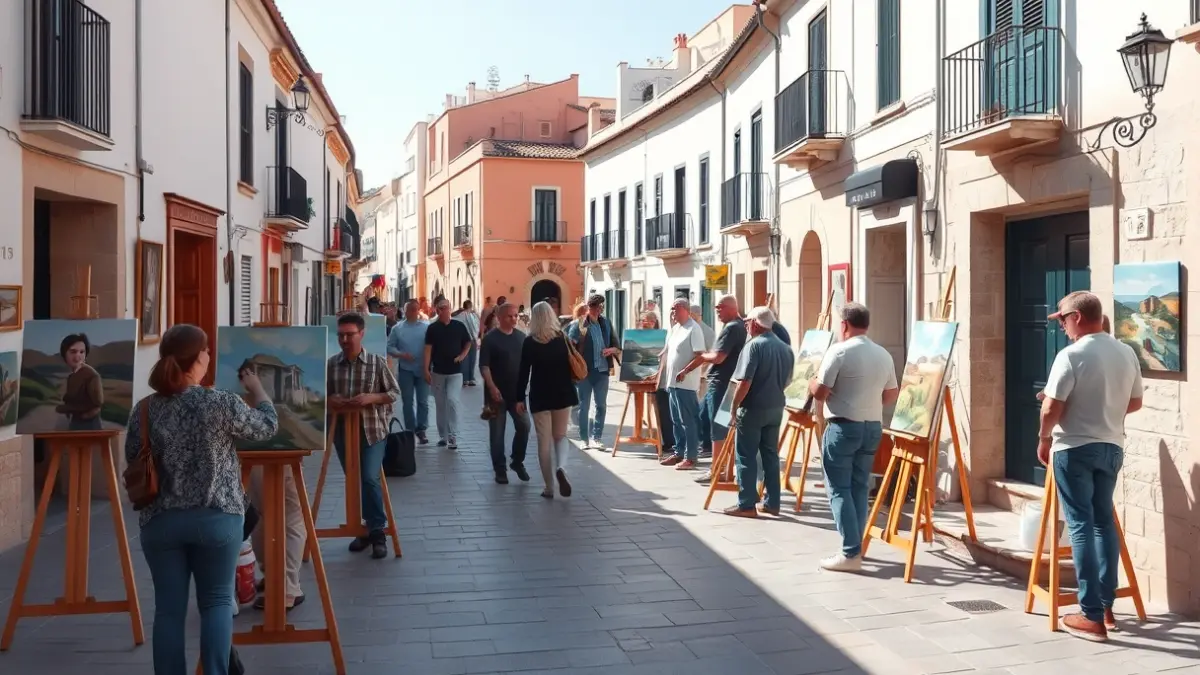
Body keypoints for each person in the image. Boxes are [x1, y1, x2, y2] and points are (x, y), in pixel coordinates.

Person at [127, 324, 278, 675]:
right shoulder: (219, 402)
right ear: (197, 359)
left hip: (161, 522)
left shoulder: (145, 409)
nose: (210, 355)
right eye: (206, 350)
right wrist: (258, 391)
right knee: (216, 602)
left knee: (168, 610)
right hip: (217, 519)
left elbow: (133, 455)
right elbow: (266, 426)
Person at [1041, 292, 1142, 642]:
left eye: (1064, 320)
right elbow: (1136, 401)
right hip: (1111, 446)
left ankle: (1091, 615)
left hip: (1075, 447)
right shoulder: (1126, 352)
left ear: (1077, 317)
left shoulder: (1072, 355)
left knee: (1081, 526)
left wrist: (1043, 438)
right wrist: (1104, 414)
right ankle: (1107, 608)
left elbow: (1051, 407)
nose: (1064, 327)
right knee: (1103, 524)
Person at [809, 303, 899, 572]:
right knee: (860, 487)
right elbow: (892, 393)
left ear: (844, 324)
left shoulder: (838, 351)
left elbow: (820, 392)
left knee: (839, 488)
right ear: (867, 324)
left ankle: (849, 553)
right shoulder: (883, 354)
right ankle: (856, 546)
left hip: (843, 426)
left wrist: (812, 380)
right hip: (872, 426)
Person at [328, 312, 401, 559]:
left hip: (373, 430)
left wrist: (372, 398)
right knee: (354, 480)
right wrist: (331, 400)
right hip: (341, 432)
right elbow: (318, 396)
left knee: (370, 477)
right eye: (340, 335)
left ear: (362, 334)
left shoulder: (377, 363)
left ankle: (377, 531)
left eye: (349, 334)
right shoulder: (331, 364)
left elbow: (393, 393)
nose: (344, 340)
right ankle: (362, 529)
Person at [722, 307, 795, 517]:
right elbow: (788, 380)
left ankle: (746, 504)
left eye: (747, 321)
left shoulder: (753, 346)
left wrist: (734, 407)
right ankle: (773, 502)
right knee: (770, 455)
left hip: (753, 407)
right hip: (775, 407)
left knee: (745, 455)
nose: (745, 325)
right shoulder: (785, 348)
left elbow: (745, 382)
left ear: (755, 323)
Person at [518, 302, 580, 499]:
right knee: (560, 436)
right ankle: (561, 467)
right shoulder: (562, 338)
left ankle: (549, 488)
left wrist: (519, 398)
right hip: (563, 393)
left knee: (543, 444)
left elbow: (523, 373)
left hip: (540, 396)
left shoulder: (529, 342)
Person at [694, 297, 747, 472]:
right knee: (705, 418)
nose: (717, 311)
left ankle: (718, 467)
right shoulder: (738, 325)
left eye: (721, 307)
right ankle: (720, 463)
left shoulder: (732, 327)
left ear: (732, 308)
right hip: (723, 383)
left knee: (719, 424)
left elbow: (719, 356)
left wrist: (703, 357)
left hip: (722, 384)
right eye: (716, 307)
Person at [480, 303, 530, 484]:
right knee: (497, 434)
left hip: (516, 395)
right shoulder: (490, 339)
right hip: (496, 396)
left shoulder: (521, 338)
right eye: (510, 316)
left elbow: (527, 366)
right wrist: (492, 387)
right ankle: (500, 469)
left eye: (516, 315)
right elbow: (484, 367)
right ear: (499, 318)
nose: (514, 319)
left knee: (524, 426)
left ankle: (517, 461)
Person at [656, 299, 708, 470]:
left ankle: (691, 456)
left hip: (686, 384)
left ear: (685, 310)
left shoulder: (694, 329)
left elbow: (701, 355)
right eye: (671, 310)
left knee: (688, 421)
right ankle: (679, 452)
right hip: (672, 383)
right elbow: (668, 350)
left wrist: (685, 370)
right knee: (676, 420)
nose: (672, 313)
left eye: (675, 310)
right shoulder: (675, 328)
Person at [565, 295, 620, 450]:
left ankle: (597, 437)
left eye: (599, 306)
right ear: (588, 307)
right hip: (584, 372)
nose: (596, 309)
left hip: (602, 371)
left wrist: (611, 350)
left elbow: (617, 346)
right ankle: (584, 439)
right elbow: (570, 346)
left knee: (601, 405)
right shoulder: (580, 324)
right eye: (593, 306)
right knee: (584, 406)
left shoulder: (606, 324)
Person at [424, 297, 472, 449]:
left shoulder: (459, 326)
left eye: (446, 307)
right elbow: (428, 350)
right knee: (440, 404)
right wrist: (425, 369)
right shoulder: (432, 329)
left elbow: (468, 342)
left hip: (455, 373)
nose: (444, 310)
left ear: (449, 309)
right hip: (438, 372)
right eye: (441, 308)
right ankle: (442, 435)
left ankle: (453, 435)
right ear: (437, 310)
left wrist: (462, 356)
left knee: (452, 400)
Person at [387, 299, 430, 444]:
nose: (412, 311)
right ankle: (410, 429)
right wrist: (401, 354)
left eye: (415, 309)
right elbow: (390, 347)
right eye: (409, 309)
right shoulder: (397, 329)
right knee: (407, 401)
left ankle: (422, 429)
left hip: (423, 369)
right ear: (404, 311)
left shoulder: (426, 327)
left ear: (418, 311)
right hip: (406, 370)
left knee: (423, 401)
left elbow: (432, 346)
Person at [56, 333, 104, 431]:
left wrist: (72, 410)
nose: (78, 356)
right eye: (73, 352)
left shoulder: (92, 376)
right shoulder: (71, 376)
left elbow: (98, 403)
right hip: (76, 422)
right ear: (64, 354)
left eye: (82, 352)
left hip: (89, 425)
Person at [455, 300, 481, 386]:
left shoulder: (459, 315)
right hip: (472, 339)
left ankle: (465, 379)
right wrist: (476, 338)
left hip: (463, 340)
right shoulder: (472, 315)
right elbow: (476, 327)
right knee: (472, 359)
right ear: (471, 306)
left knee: (464, 358)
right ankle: (471, 378)